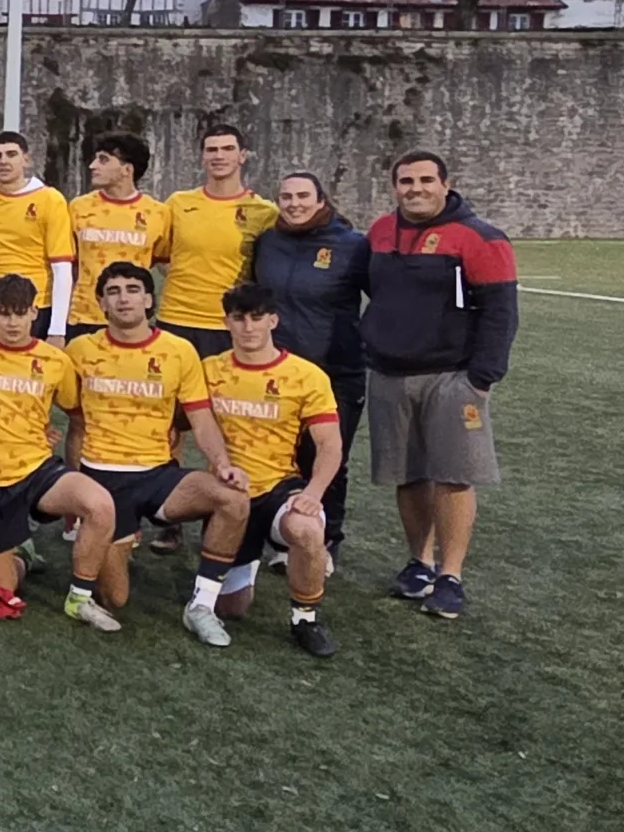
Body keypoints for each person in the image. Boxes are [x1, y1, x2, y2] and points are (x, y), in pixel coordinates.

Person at [362, 150, 517, 622]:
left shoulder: (480, 237)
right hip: (389, 374)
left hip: (452, 375)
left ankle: (451, 576)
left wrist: (482, 378)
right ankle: (420, 562)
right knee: (407, 475)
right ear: (395, 187)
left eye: (426, 180)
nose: (416, 189)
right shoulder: (380, 232)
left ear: (445, 184)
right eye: (406, 181)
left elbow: (501, 312)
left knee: (453, 474)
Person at [62, 263, 253, 645]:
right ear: (101, 303)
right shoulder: (80, 350)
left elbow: (201, 419)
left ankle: (201, 606)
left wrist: (223, 464)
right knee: (115, 599)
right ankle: (108, 545)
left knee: (233, 498)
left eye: (133, 290)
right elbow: (64, 409)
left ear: (149, 300)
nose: (124, 298)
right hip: (104, 479)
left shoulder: (178, 351)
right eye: (113, 291)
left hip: (158, 474)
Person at [0, 274, 118, 630]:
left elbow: (77, 414)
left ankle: (80, 598)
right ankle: (24, 556)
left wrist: (39, 430)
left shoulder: (55, 361)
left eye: (20, 313)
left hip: (37, 470)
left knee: (100, 504)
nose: (12, 323)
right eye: (4, 313)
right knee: (0, 589)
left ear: (34, 312)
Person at [206, 283, 345, 658]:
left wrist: (313, 493)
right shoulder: (209, 371)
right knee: (231, 609)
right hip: (230, 496)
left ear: (273, 320)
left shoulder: (305, 375)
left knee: (306, 529)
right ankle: (247, 564)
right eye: (239, 318)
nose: (248, 327)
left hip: (279, 487)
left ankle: (305, 619)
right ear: (227, 322)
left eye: (257, 317)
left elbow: (330, 445)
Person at [250, 171, 368, 566]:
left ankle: (326, 539)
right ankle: (284, 537)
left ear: (321, 201)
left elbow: (384, 299)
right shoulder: (268, 242)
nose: (294, 204)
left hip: (335, 370)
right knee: (282, 453)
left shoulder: (351, 245)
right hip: (278, 369)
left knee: (328, 454)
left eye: (303, 196)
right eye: (286, 197)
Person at [157, 122, 278, 357]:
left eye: (228, 149)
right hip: (174, 318)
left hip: (227, 323)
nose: (219, 156)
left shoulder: (264, 212)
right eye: (212, 150)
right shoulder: (178, 203)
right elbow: (161, 256)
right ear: (203, 157)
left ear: (242, 156)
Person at [0, 130, 76, 342]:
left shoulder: (50, 199)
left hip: (35, 305)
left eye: (11, 154)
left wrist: (57, 330)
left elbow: (62, 267)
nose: (3, 161)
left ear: (26, 160)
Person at [67, 132, 170, 334]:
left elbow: (164, 263)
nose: (93, 166)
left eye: (103, 160)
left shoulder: (158, 213)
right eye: (95, 159)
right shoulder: (78, 208)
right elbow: (68, 268)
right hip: (83, 318)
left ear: (127, 169)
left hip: (133, 321)